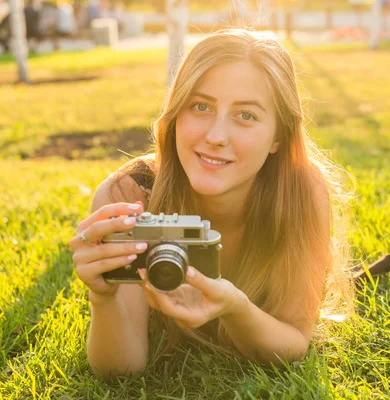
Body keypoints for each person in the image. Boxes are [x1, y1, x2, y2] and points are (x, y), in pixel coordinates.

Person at [68, 28, 357, 381]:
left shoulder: (301, 191)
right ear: (176, 115)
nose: (216, 136)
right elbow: (120, 371)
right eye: (201, 106)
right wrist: (104, 298)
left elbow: (293, 342)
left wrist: (236, 309)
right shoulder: (131, 196)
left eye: (246, 115)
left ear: (278, 137)